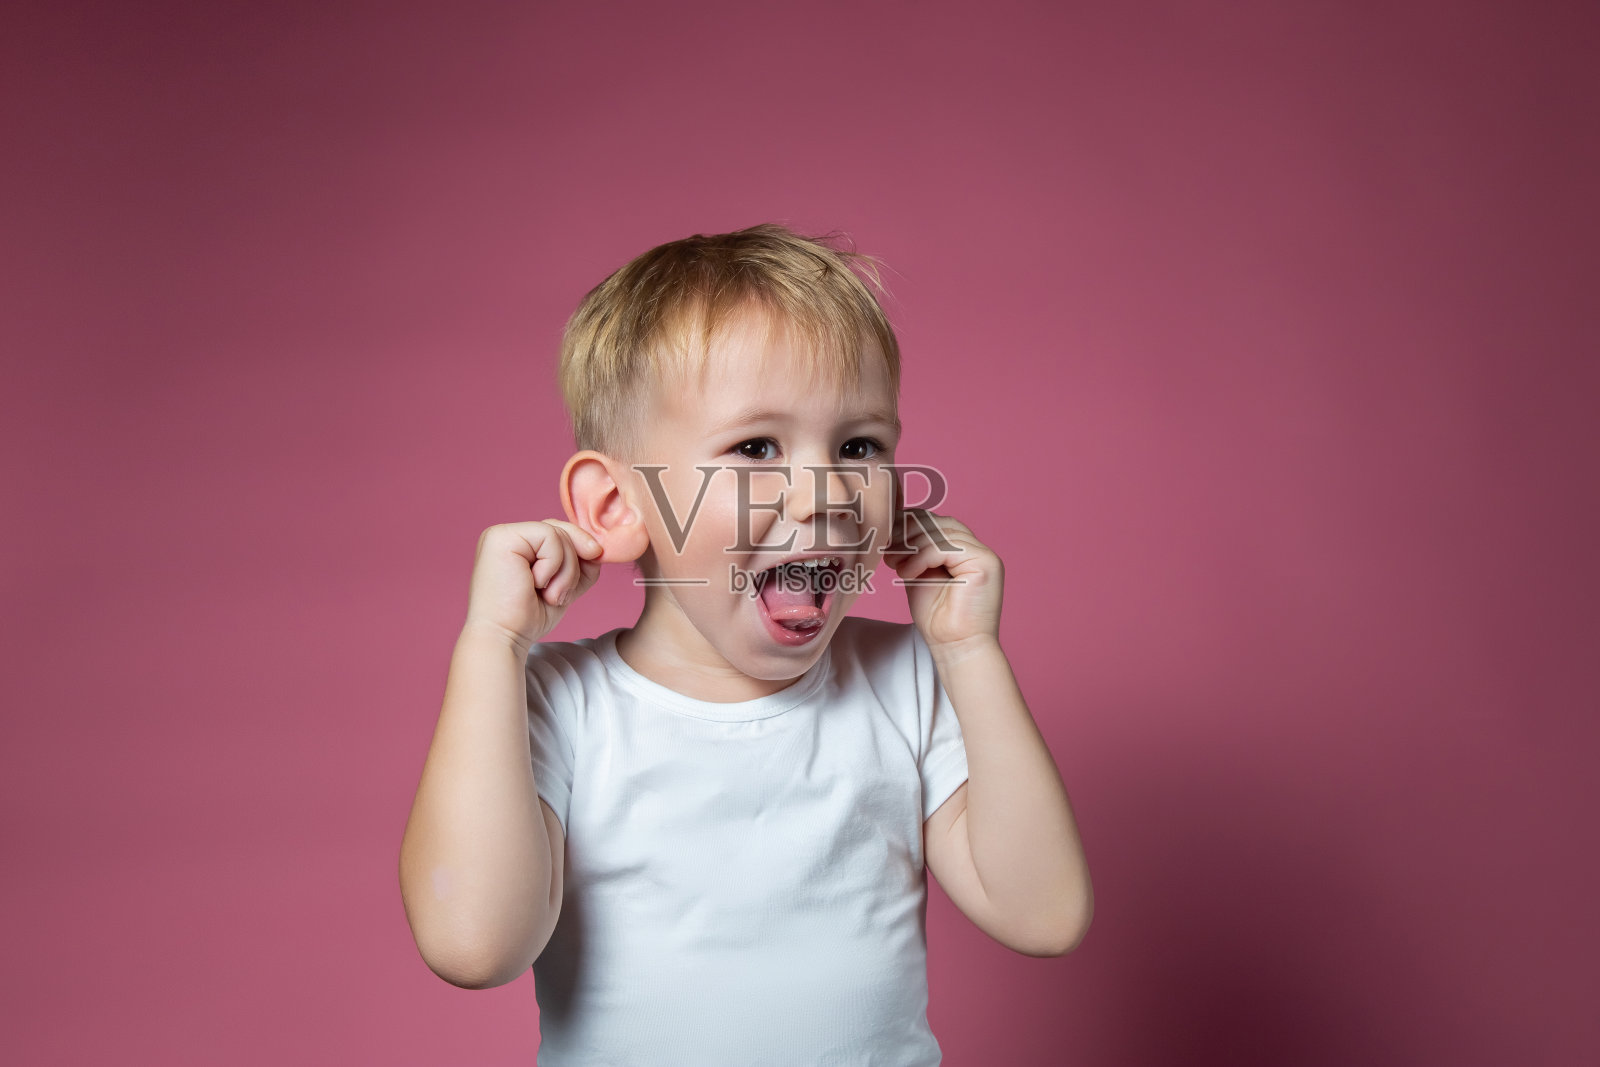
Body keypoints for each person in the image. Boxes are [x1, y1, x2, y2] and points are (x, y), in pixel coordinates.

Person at [399, 224, 1092, 1065]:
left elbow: (1045, 915)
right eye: (756, 447)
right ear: (617, 507)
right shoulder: (557, 702)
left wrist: (970, 652)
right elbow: (474, 944)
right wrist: (492, 645)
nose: (826, 491)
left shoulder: (909, 677)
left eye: (860, 445)